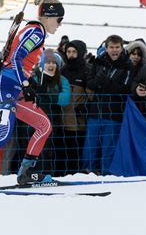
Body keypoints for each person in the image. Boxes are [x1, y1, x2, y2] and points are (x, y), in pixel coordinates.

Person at [0, 0, 65, 191]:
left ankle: (26, 173)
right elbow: (16, 58)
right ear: (49, 17)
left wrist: (28, 82)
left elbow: (17, 59)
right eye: (59, 19)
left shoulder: (33, 30)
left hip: (14, 85)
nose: (60, 24)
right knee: (2, 132)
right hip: (8, 85)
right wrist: (25, 83)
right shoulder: (36, 31)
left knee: (43, 125)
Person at [82, 34, 134, 175]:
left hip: (113, 113)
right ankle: (88, 172)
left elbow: (125, 89)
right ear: (106, 48)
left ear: (122, 48)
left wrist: (107, 83)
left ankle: (107, 173)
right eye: (111, 47)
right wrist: (99, 81)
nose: (114, 50)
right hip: (95, 111)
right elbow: (90, 83)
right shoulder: (98, 62)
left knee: (108, 147)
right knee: (90, 146)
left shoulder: (127, 65)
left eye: (117, 47)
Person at [31, 49, 70, 175]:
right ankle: (31, 172)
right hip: (35, 118)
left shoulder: (61, 80)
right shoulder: (36, 77)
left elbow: (65, 98)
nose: (51, 65)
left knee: (49, 148)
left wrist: (47, 96)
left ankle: (47, 173)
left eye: (54, 62)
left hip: (54, 118)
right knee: (34, 147)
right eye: (48, 62)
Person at [61, 40, 90, 175]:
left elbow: (92, 94)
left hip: (79, 121)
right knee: (64, 151)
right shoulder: (62, 70)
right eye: (69, 52)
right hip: (63, 119)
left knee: (77, 150)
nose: (71, 55)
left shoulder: (87, 70)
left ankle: (76, 174)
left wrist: (85, 106)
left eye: (74, 52)